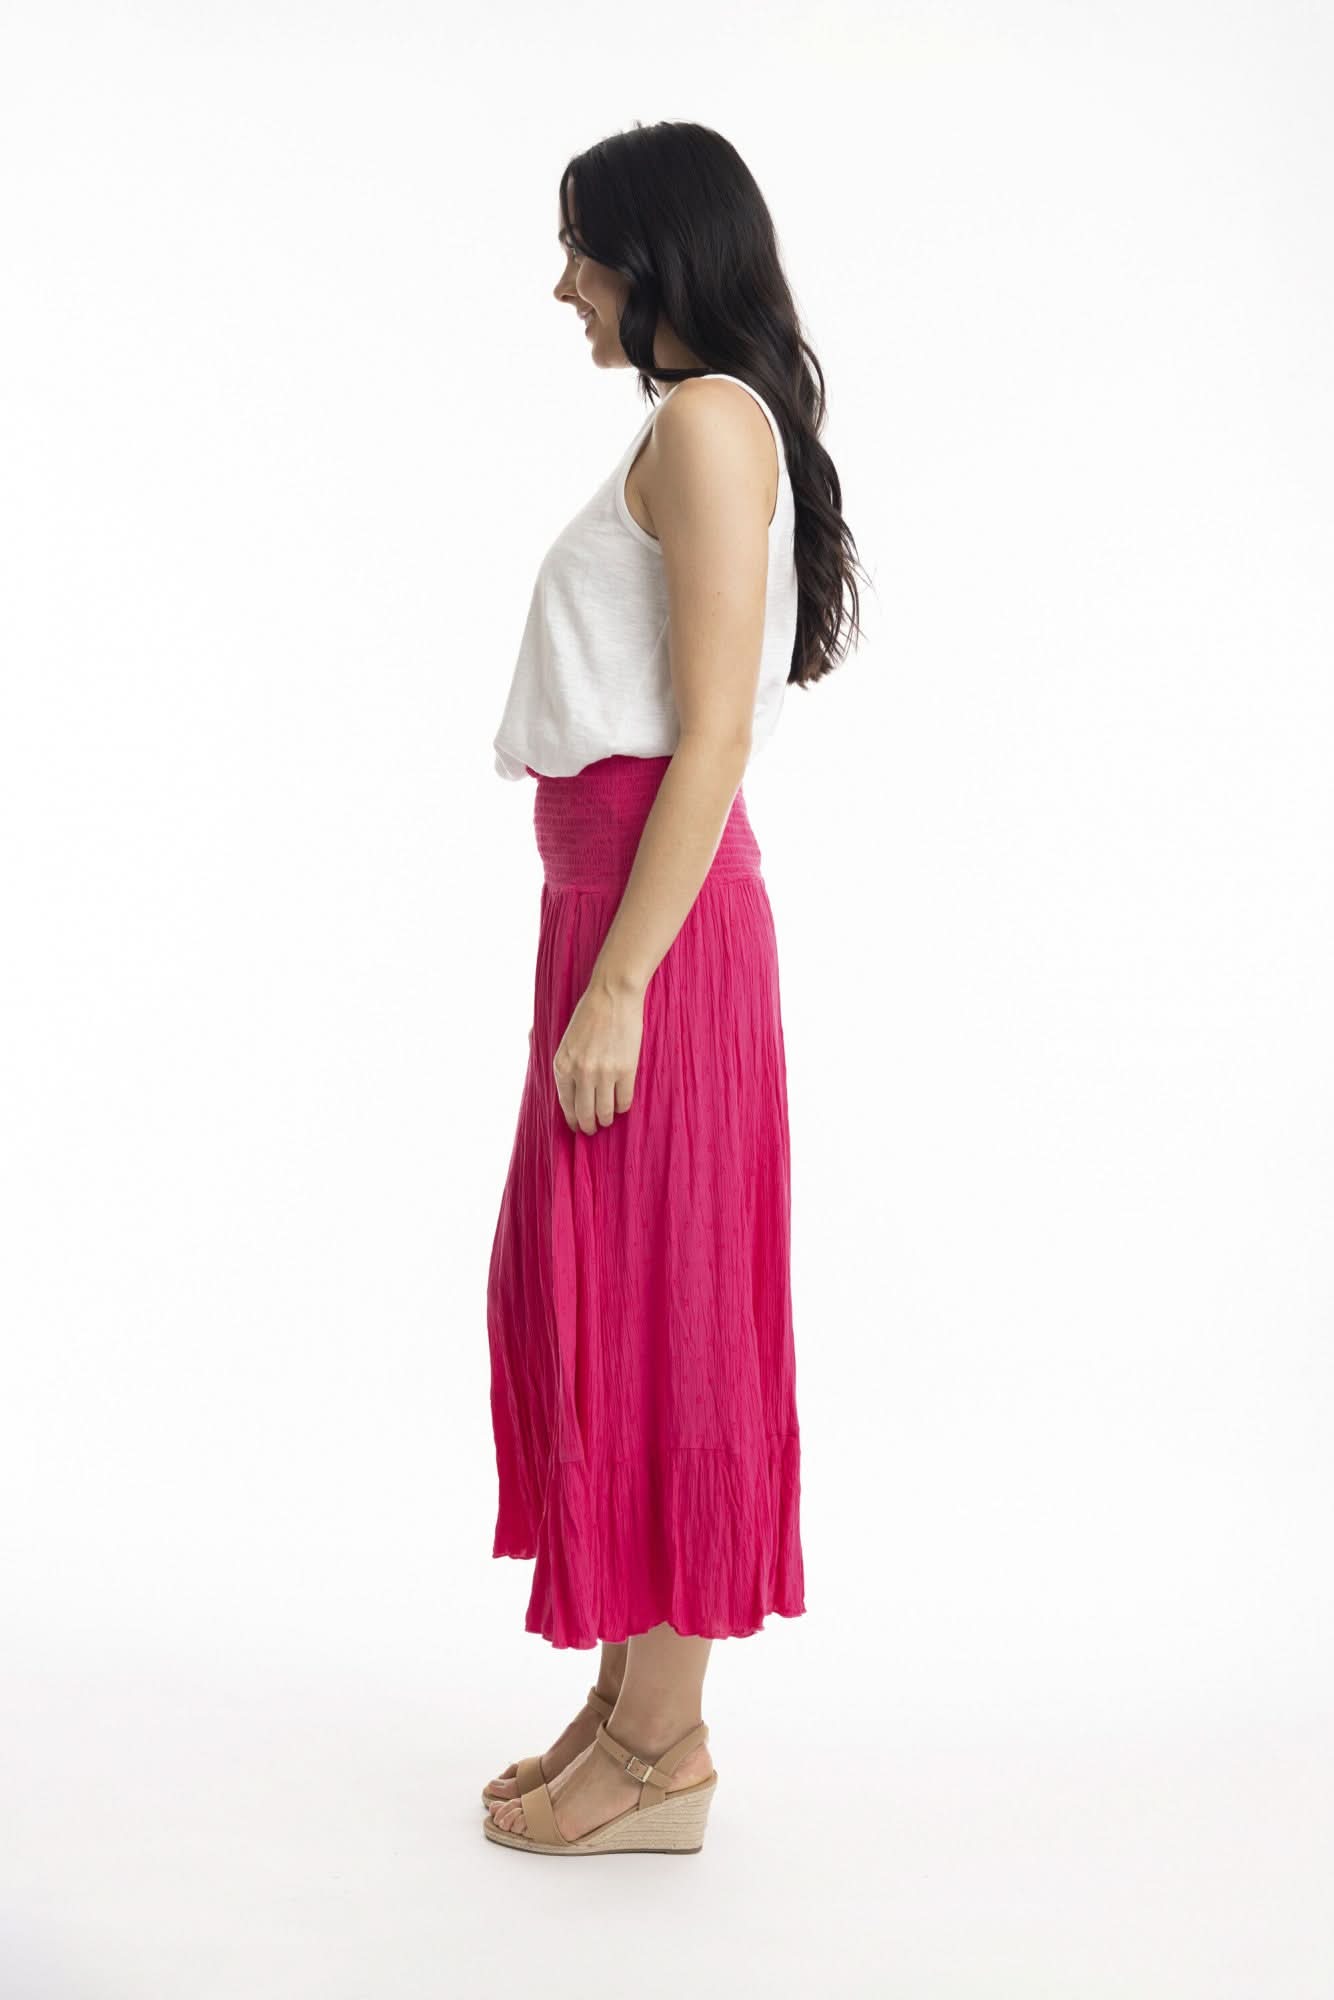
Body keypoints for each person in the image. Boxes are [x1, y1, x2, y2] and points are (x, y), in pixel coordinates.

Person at [482, 120, 866, 1857]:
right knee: (613, 1298)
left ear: (659, 256)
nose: (565, 285)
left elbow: (710, 736)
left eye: (585, 250)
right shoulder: (694, 422)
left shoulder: (708, 423)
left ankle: (665, 1751)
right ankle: (626, 1704)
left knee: (666, 1308)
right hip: (615, 907)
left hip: (656, 919)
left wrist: (624, 982)